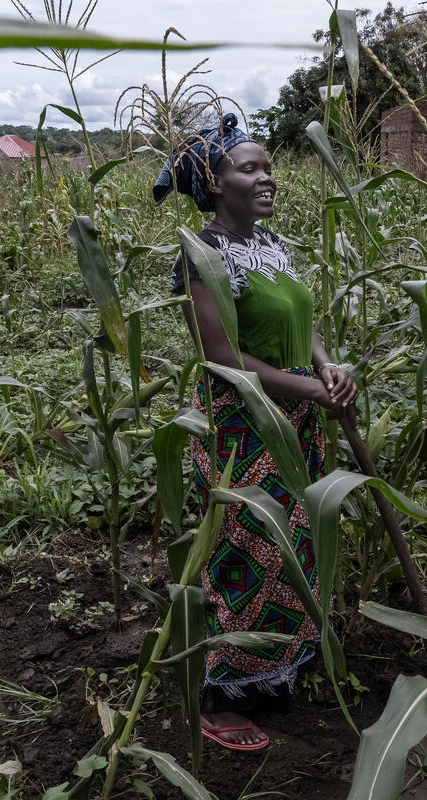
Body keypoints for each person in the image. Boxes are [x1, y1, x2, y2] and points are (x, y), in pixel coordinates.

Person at [154, 113, 357, 750]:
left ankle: (271, 673)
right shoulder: (201, 257)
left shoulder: (272, 246)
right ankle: (216, 697)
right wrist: (311, 389)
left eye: (269, 166)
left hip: (294, 419)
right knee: (244, 553)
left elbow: (304, 321)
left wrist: (330, 367)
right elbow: (224, 357)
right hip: (241, 427)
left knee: (294, 549)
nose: (267, 178)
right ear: (215, 184)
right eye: (250, 168)